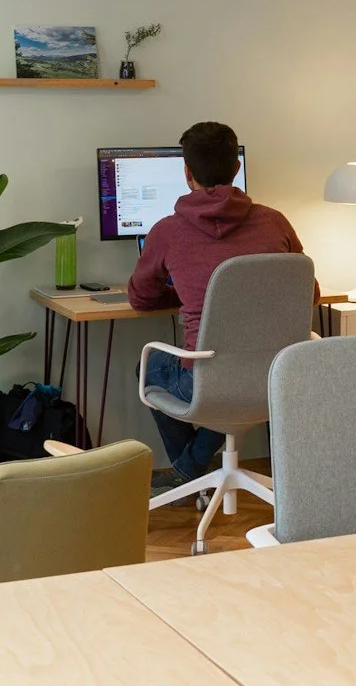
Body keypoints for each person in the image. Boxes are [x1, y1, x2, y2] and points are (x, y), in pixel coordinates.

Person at [127, 121, 304, 483]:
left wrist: (190, 292)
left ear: (187, 173)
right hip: (276, 378)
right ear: (236, 168)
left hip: (205, 383)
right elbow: (307, 293)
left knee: (149, 369)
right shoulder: (276, 222)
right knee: (234, 390)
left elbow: (140, 299)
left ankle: (188, 473)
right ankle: (193, 467)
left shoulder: (167, 230)